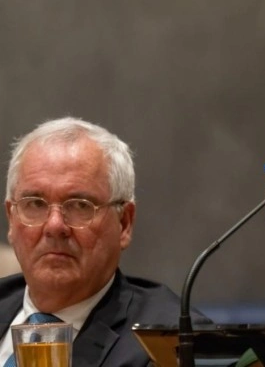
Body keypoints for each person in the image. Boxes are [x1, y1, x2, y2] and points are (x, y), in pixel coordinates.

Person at [0, 117, 208, 367]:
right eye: (35, 204)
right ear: (11, 219)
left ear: (124, 223)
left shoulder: (174, 345)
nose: (55, 226)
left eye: (80, 206)